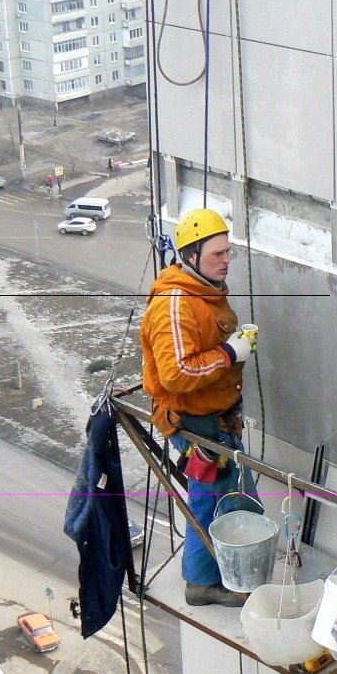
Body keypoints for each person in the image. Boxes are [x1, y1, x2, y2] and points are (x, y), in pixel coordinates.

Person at [141, 209, 260, 607]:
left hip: (217, 418)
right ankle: (201, 584)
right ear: (191, 257)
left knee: (225, 494)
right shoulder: (176, 303)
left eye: (229, 252)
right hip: (197, 424)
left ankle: (224, 570)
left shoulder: (203, 289)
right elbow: (175, 374)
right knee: (209, 501)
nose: (227, 260)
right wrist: (229, 353)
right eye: (217, 254)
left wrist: (232, 347)